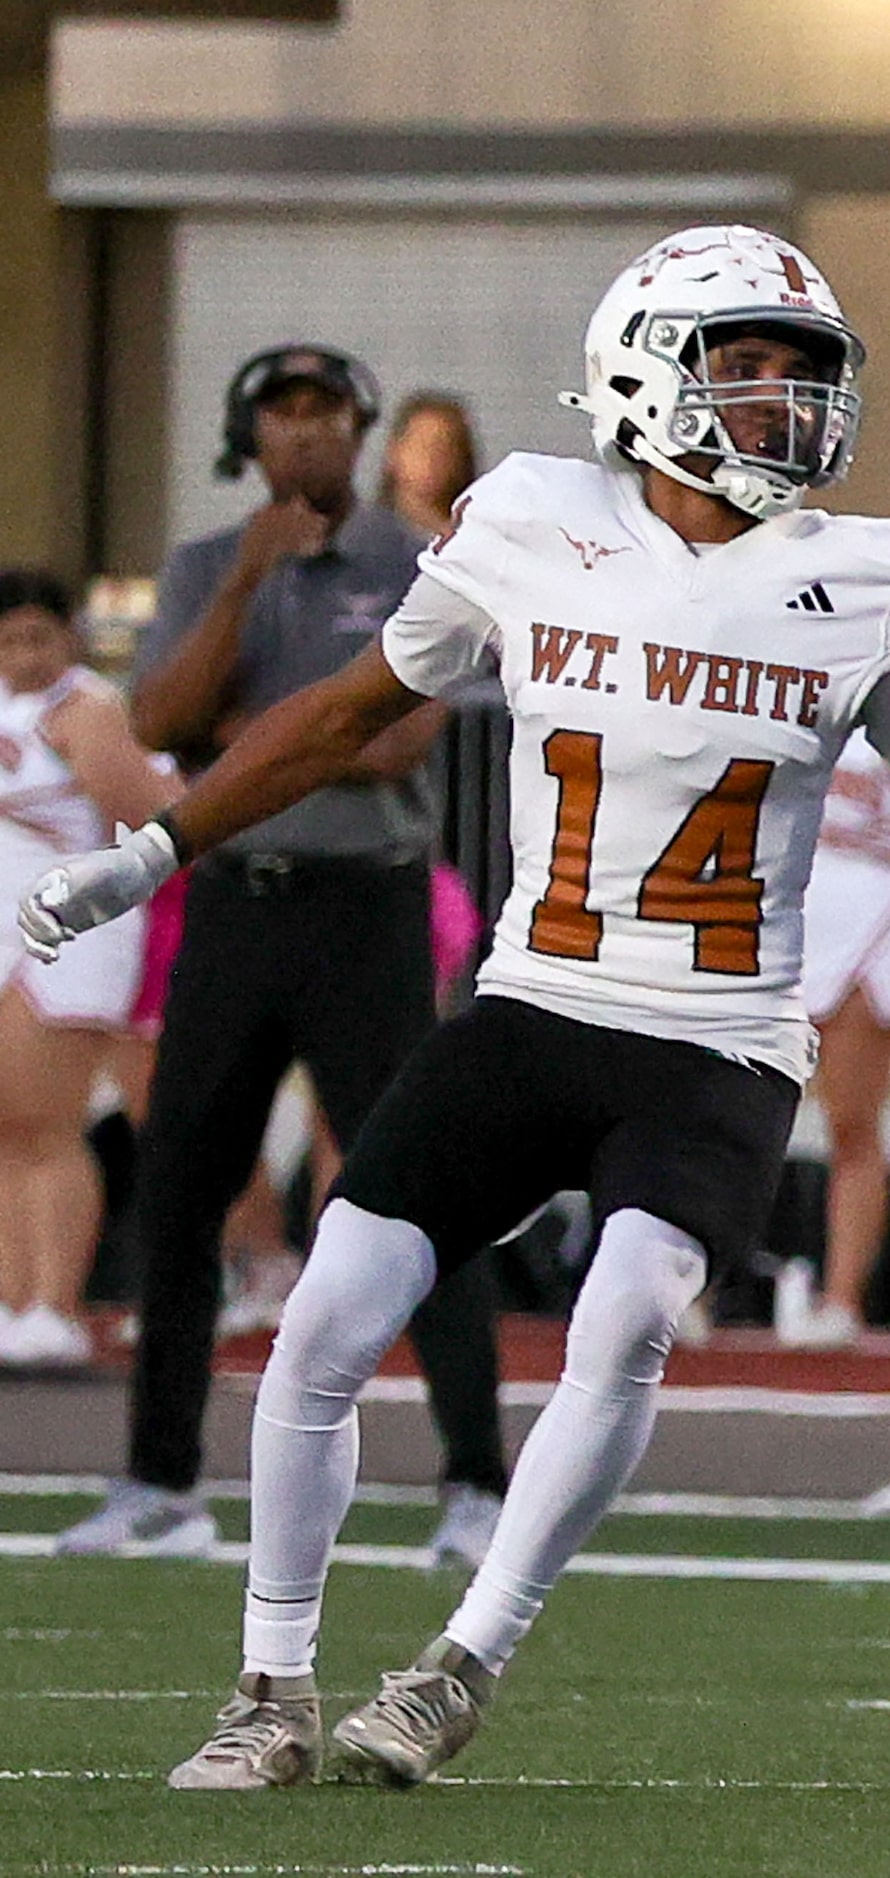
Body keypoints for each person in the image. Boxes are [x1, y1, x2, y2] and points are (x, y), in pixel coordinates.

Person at [22, 224, 890, 1790]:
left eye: (800, 374)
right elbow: (349, 712)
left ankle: (459, 1661)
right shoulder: (527, 518)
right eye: (747, 368)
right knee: (321, 1321)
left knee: (628, 1313)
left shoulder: (870, 575)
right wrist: (155, 847)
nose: (783, 403)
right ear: (647, 372)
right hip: (535, 999)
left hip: (720, 1033)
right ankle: (272, 1682)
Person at [51, 344, 510, 1570]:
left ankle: (474, 1480)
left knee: (417, 1185)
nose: (305, 436)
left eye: (326, 413)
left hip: (367, 905)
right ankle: (159, 1482)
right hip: (237, 904)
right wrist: (248, 589)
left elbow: (396, 738)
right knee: (182, 1190)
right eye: (282, 415)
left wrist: (252, 732)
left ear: (360, 430)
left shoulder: (414, 564)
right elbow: (157, 722)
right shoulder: (211, 563)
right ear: (247, 437)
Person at [0, 570, 177, 1367]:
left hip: (68, 931)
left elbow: (141, 811)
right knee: (5, 1129)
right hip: (5, 926)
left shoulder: (89, 709)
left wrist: (90, 755)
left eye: (38, 637)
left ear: (69, 637)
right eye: (7, 641)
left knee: (47, 1123)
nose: (23, 655)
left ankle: (57, 1303)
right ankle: (12, 1300)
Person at [777, 728, 890, 1348]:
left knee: (853, 1123)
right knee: (732, 1117)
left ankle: (841, 1300)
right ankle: (689, 1290)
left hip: (866, 924)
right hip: (770, 916)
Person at [376, 393, 481, 542]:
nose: (433, 457)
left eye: (445, 446)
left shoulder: (480, 539)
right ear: (394, 451)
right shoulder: (366, 539)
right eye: (423, 445)